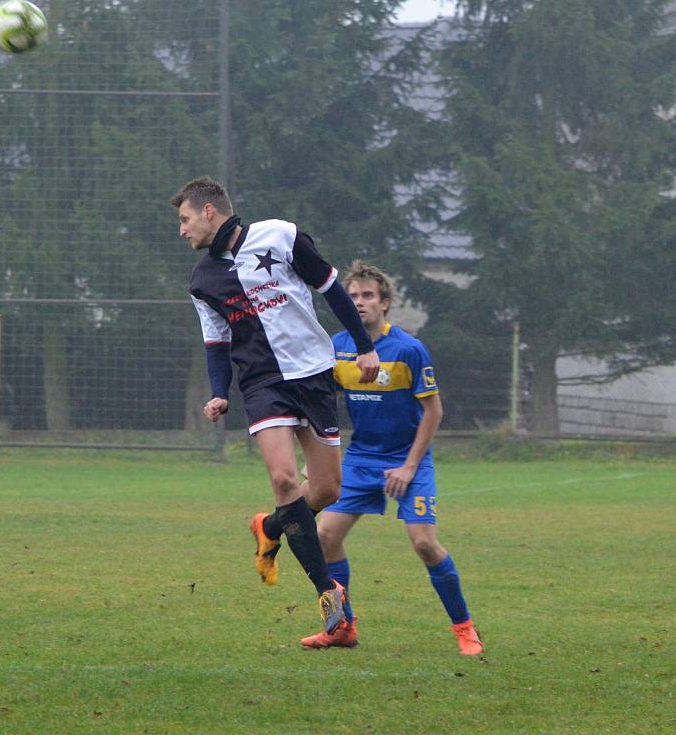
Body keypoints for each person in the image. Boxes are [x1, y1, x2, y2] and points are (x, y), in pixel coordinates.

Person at [171, 177, 380, 637]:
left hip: (314, 372)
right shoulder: (202, 280)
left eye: (185, 219)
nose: (181, 230)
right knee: (285, 479)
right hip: (263, 383)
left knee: (325, 489)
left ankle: (269, 525)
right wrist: (219, 390)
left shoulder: (281, 235)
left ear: (210, 211)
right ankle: (328, 593)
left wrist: (365, 346)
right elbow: (215, 342)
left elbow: (332, 290)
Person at [297, 260, 484, 654]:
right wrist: (317, 458)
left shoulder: (409, 349)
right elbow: (319, 404)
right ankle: (340, 627)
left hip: (408, 459)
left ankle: (465, 628)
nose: (359, 302)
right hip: (361, 458)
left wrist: (409, 466)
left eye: (368, 296)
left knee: (424, 545)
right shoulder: (337, 348)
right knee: (324, 535)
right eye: (352, 296)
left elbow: (434, 412)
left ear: (385, 304)